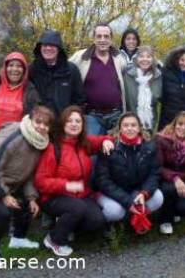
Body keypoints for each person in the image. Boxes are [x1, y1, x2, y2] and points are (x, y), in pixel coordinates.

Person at [0, 105, 54, 269]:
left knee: (26, 204)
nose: (42, 126)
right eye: (38, 122)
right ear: (30, 120)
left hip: (5, 181)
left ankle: (18, 239)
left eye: (46, 124)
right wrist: (5, 195)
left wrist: (31, 198)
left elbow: (28, 174)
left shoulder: (39, 141)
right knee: (3, 213)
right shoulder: (13, 137)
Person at [34, 106, 116, 256]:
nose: (74, 124)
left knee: (97, 221)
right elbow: (41, 182)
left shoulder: (83, 143)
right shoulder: (53, 148)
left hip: (80, 195)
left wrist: (107, 141)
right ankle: (54, 240)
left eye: (78, 121)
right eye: (69, 120)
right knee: (77, 208)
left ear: (83, 125)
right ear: (63, 124)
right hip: (53, 197)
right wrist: (66, 185)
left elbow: (105, 139)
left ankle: (67, 228)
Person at [95, 112, 163, 227]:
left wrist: (144, 193)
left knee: (158, 197)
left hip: (137, 191)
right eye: (126, 125)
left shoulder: (150, 147)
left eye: (133, 125)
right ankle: (114, 225)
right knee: (115, 211)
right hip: (114, 193)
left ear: (139, 128)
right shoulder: (109, 148)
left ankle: (138, 216)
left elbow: (154, 174)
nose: (130, 128)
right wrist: (127, 201)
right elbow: (103, 181)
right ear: (120, 129)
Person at [70, 23, 126, 134]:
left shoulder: (119, 59)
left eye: (106, 36)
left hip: (116, 115)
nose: (102, 40)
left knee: (117, 148)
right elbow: (64, 70)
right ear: (94, 39)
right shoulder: (80, 57)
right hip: (91, 115)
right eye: (99, 36)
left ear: (111, 39)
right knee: (92, 147)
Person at [28, 29, 85, 116]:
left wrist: (69, 119)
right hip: (39, 122)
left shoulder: (71, 70)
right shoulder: (32, 69)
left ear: (59, 49)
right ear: (40, 48)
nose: (48, 48)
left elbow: (79, 100)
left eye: (52, 45)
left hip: (63, 123)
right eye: (45, 45)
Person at [123, 45, 162, 134]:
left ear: (153, 59)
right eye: (141, 56)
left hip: (150, 124)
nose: (145, 59)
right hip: (129, 124)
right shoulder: (128, 75)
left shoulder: (158, 76)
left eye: (148, 56)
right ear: (137, 59)